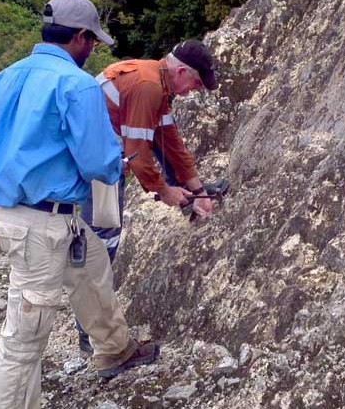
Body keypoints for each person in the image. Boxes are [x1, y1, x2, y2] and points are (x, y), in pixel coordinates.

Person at [0, 0, 159, 409]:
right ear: (79, 37)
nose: (93, 48)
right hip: (42, 222)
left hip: (18, 210)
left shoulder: (4, 77)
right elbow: (97, 163)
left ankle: (115, 348)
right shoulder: (77, 84)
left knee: (92, 267)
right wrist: (120, 163)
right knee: (25, 336)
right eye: (92, 40)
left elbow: (1, 138)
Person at [72, 39, 228, 354]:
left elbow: (169, 142)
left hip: (103, 155)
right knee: (104, 242)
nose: (194, 90)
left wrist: (197, 190)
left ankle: (95, 330)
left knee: (103, 241)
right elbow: (138, 155)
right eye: (196, 82)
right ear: (181, 71)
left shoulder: (158, 83)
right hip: (99, 165)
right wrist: (165, 191)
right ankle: (92, 334)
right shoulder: (148, 87)